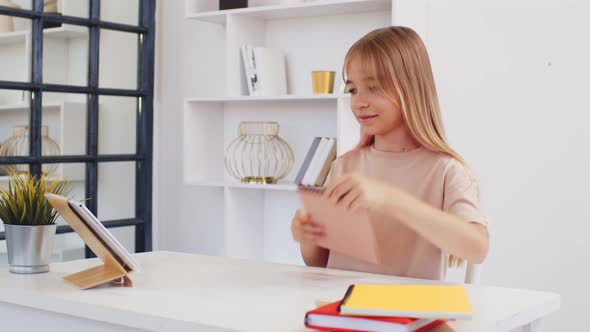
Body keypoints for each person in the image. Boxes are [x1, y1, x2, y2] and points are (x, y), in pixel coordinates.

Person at [291, 26, 489, 280]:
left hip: (409, 313)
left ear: (411, 89)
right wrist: (309, 238)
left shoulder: (446, 171)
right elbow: (321, 263)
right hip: (343, 307)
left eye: (374, 88)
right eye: (353, 90)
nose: (359, 102)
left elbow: (477, 248)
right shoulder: (344, 167)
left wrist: (390, 199)